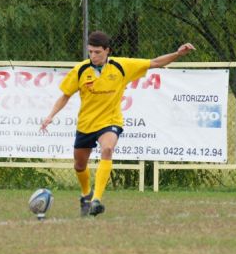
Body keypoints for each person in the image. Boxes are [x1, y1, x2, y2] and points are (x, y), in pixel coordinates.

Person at [40, 30, 195, 217]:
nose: (93, 56)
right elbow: (65, 95)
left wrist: (177, 54)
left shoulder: (121, 66)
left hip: (110, 121)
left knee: (107, 149)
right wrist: (50, 116)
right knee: (79, 165)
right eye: (90, 51)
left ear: (107, 51)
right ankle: (85, 195)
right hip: (86, 124)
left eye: (97, 52)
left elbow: (154, 62)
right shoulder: (81, 70)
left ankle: (96, 200)